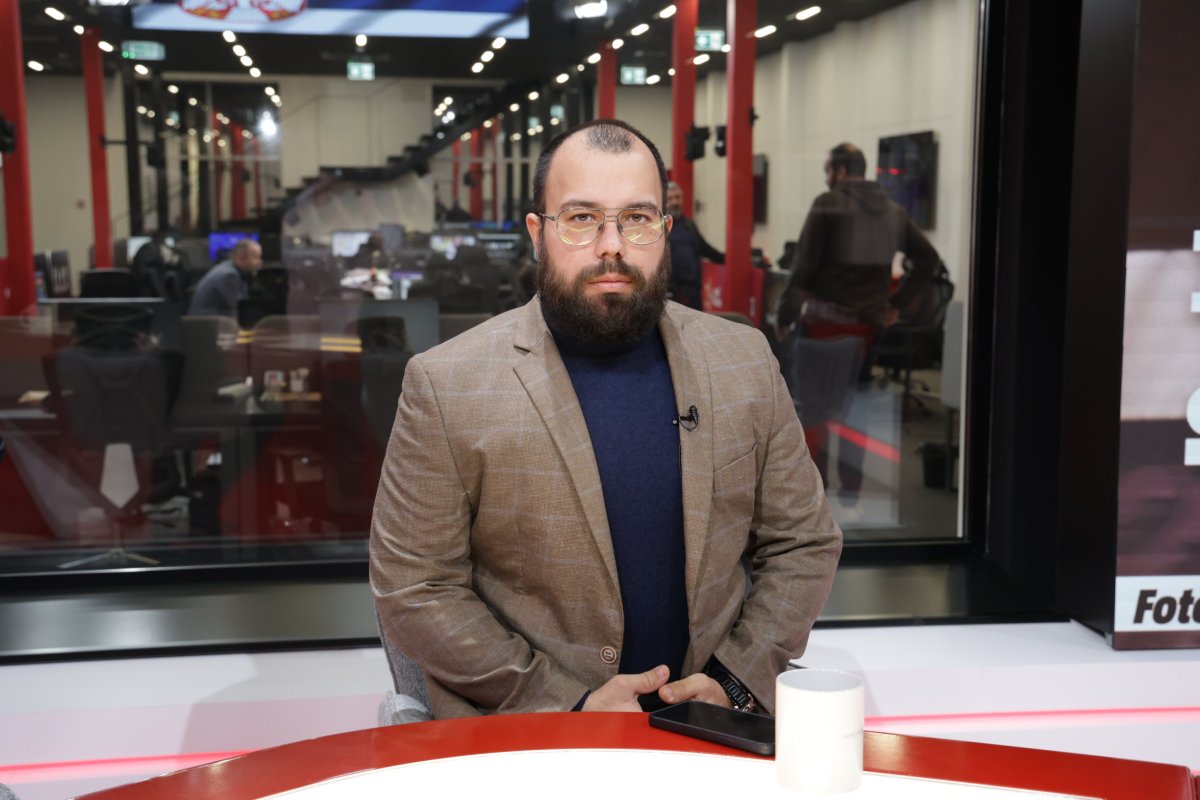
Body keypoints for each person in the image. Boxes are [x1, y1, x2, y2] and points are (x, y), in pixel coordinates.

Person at [370, 118, 842, 720]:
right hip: (528, 736)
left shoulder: (743, 360)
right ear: (538, 234)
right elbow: (415, 587)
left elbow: (804, 542)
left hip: (711, 726)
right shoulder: (447, 383)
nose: (612, 244)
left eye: (637, 218)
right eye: (581, 218)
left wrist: (735, 683)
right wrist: (567, 705)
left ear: (665, 230)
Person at [777, 143, 940, 506]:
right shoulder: (893, 210)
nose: (826, 177)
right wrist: (895, 305)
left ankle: (816, 499)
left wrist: (785, 314)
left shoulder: (828, 203)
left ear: (839, 170)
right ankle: (852, 494)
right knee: (856, 412)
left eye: (827, 170)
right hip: (868, 329)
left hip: (824, 326)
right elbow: (928, 259)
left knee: (816, 413)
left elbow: (804, 267)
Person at [664, 181, 723, 309]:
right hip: (670, 293)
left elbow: (704, 248)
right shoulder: (659, 228)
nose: (675, 202)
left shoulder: (689, 225)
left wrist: (728, 259)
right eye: (670, 199)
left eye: (678, 197)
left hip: (693, 291)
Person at [187, 238, 263, 318]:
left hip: (211, 318)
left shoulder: (230, 268)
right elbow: (239, 307)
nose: (260, 262)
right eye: (256, 257)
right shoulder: (228, 275)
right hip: (205, 321)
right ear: (241, 258)